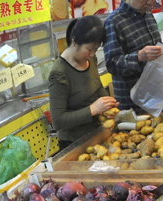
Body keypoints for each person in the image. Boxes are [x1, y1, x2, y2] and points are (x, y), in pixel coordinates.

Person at [49, 16, 118, 149]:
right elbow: (57, 121)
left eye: (96, 49)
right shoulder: (59, 73)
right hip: (74, 144)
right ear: (75, 42)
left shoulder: (90, 59)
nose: (92, 54)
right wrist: (93, 109)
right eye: (89, 49)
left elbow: (97, 87)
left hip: (97, 135)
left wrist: (108, 105)